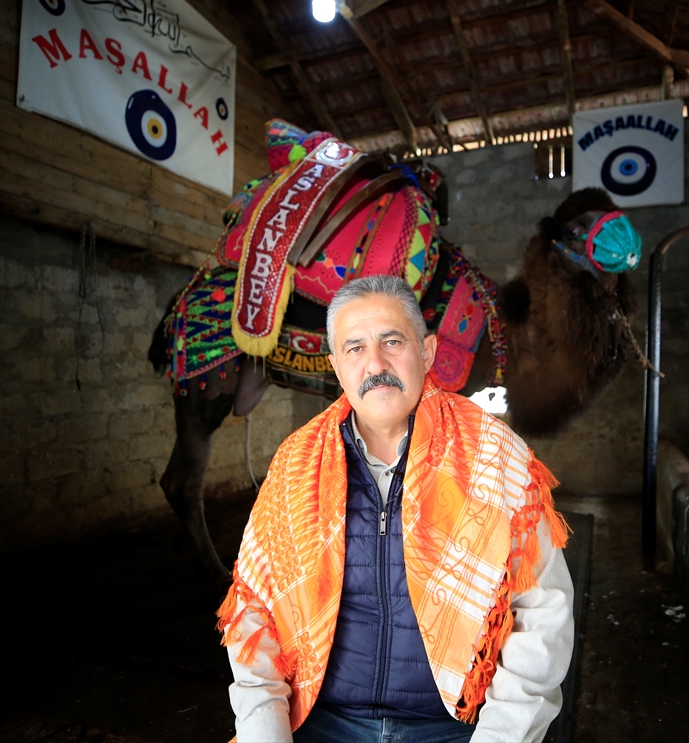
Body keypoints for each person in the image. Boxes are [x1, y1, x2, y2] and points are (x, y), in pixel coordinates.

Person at [218, 275, 574, 742]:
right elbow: (254, 614)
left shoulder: (494, 453)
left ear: (426, 354)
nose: (376, 364)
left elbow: (541, 615)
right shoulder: (295, 464)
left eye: (392, 341)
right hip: (324, 724)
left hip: (454, 727)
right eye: (355, 348)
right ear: (335, 366)